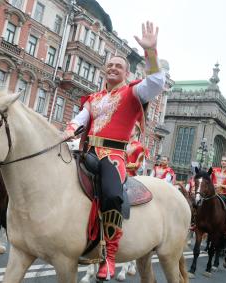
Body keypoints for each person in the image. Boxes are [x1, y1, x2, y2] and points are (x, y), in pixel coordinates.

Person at [65, 21, 165, 280]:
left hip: (114, 157)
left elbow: (155, 82)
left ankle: (108, 256)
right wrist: (69, 129)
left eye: (118, 66)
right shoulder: (94, 98)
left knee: (111, 195)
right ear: (103, 70)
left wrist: (151, 53)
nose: (113, 68)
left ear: (127, 73)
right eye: (109, 65)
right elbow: (82, 118)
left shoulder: (133, 92)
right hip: (87, 152)